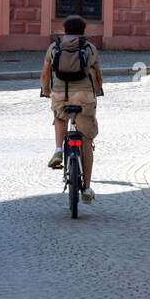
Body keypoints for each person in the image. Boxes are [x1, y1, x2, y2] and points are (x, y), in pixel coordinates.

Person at [40, 14, 104, 204]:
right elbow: (98, 72)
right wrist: (98, 89)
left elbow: (45, 73)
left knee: (60, 116)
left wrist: (46, 91)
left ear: (64, 30)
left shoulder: (55, 47)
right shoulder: (89, 47)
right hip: (85, 96)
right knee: (86, 139)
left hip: (61, 93)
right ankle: (87, 187)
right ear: (83, 31)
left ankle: (59, 149)